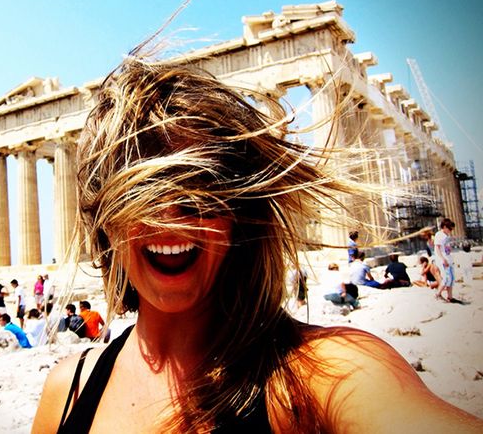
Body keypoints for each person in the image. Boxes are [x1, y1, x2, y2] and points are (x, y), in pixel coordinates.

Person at [32, 47, 483, 433]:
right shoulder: (66, 393)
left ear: (240, 213)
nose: (170, 214)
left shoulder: (323, 374)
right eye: (140, 191)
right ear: (104, 222)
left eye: (200, 184)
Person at [434, 218, 456, 302]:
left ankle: (450, 297)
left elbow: (446, 247)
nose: (450, 231)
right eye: (449, 229)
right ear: (444, 227)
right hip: (443, 259)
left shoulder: (446, 236)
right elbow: (437, 248)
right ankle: (438, 294)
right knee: (446, 278)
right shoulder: (439, 235)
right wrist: (442, 259)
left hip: (448, 258)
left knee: (451, 278)